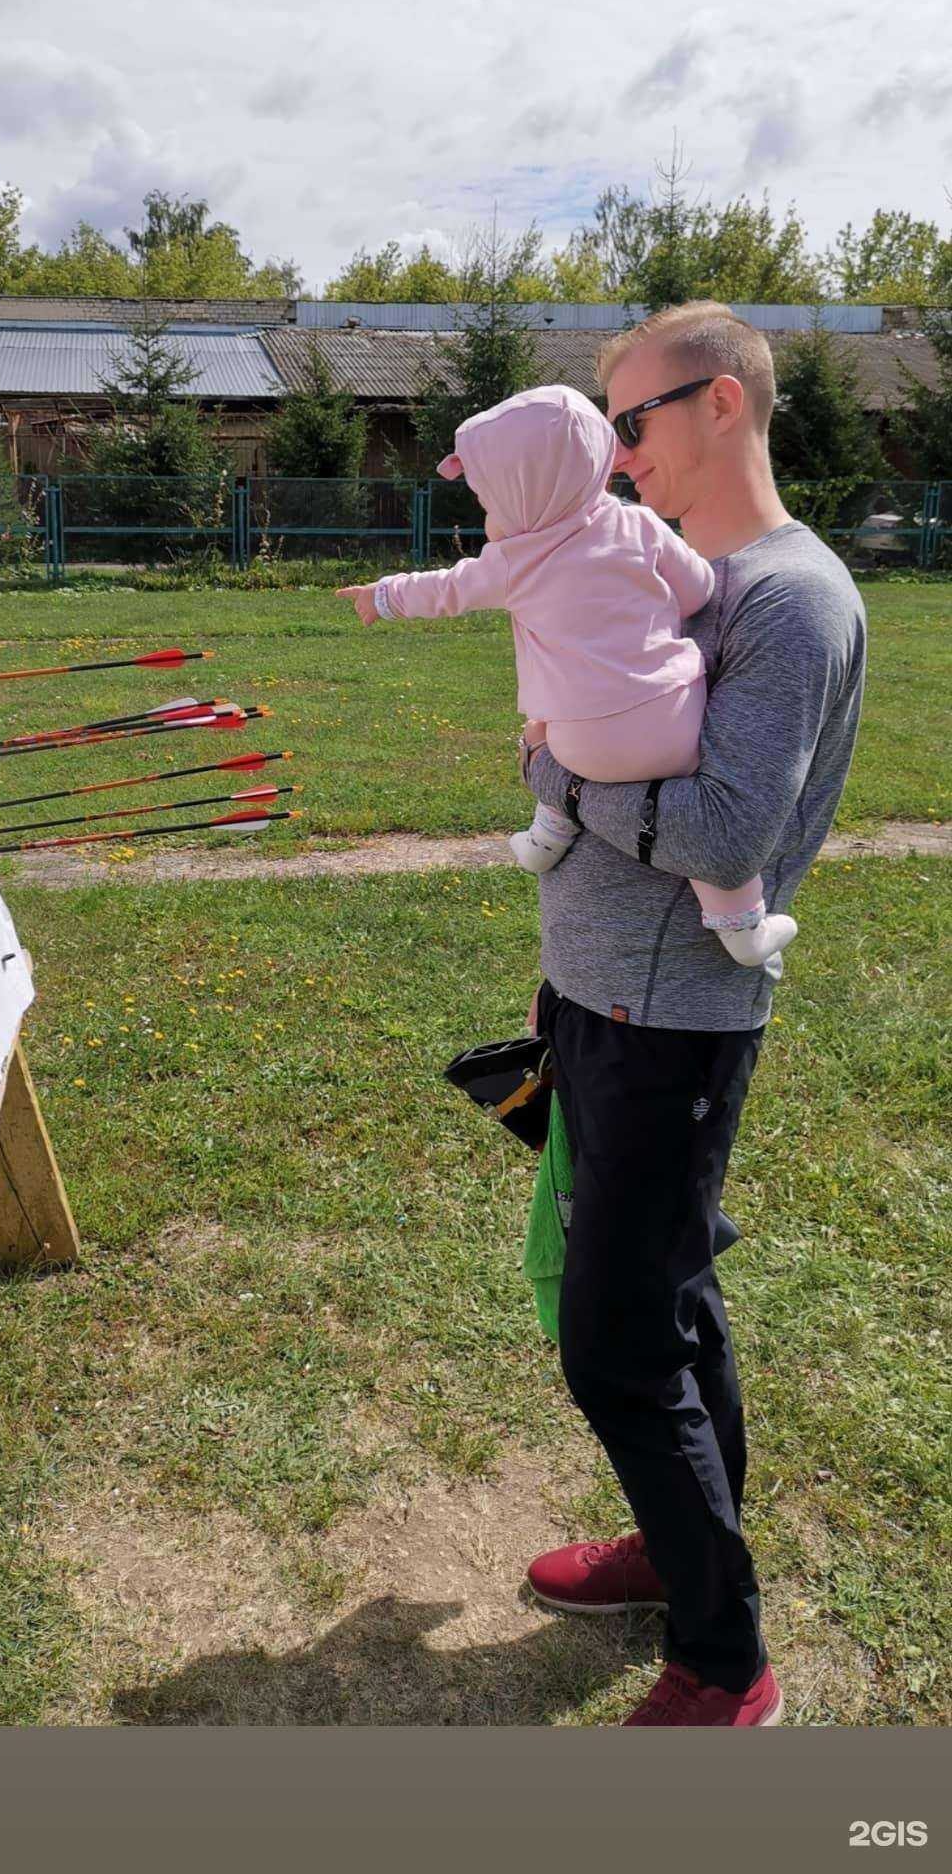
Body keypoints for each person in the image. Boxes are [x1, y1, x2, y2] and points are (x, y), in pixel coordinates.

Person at [517, 302, 866, 1726]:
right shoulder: (680, 576)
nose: (614, 456)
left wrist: (559, 776)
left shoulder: (788, 600)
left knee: (614, 1341)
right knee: (669, 1298)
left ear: (722, 402)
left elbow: (725, 833)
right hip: (603, 1001)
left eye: (632, 421)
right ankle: (677, 1551)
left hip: (675, 1027)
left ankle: (729, 1664)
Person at [336, 384, 797, 969]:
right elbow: (700, 588)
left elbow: (445, 588)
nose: (488, 514)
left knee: (544, 733)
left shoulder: (515, 560)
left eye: (490, 500)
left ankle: (546, 837)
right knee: (693, 808)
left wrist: (382, 595)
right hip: (671, 727)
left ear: (522, 493)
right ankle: (741, 927)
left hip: (579, 743)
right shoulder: (639, 525)